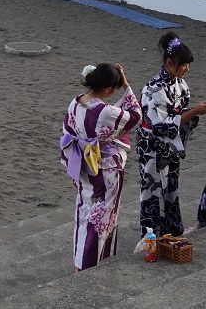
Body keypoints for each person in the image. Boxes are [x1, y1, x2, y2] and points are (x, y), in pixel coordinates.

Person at [60, 62, 141, 271]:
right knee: (101, 219)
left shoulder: (75, 103)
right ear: (108, 89)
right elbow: (135, 116)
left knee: (84, 213)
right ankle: (90, 265)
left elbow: (68, 136)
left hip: (84, 167)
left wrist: (73, 168)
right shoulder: (104, 112)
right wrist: (126, 85)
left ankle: (80, 263)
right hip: (105, 171)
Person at [136, 33, 206, 238]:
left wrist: (195, 111)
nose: (186, 69)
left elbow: (177, 114)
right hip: (152, 144)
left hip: (170, 144)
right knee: (152, 190)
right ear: (170, 63)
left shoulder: (180, 83)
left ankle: (171, 230)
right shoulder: (152, 89)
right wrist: (194, 112)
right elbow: (161, 125)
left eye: (188, 65)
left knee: (171, 186)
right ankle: (151, 235)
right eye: (183, 65)